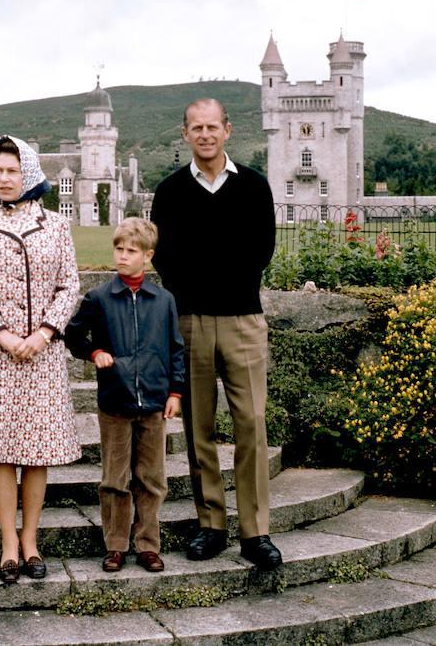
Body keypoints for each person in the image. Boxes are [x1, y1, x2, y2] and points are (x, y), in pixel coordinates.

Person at [150, 98, 282, 570]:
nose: (205, 134)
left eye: (213, 127)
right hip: (190, 322)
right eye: (196, 128)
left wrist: (219, 278)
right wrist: (195, 288)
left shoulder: (254, 187)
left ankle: (255, 532)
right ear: (184, 133)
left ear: (228, 130)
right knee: (198, 428)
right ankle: (211, 525)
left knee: (250, 425)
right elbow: (164, 258)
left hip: (243, 319)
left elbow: (261, 249)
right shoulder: (169, 192)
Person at [0, 135, 81, 584]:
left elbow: (70, 285)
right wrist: (4, 334)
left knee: (38, 449)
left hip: (43, 355)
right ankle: (8, 542)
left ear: (28, 173)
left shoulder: (57, 226)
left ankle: (31, 540)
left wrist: (45, 332)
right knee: (1, 450)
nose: (3, 179)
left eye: (11, 170)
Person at [65, 218, 184, 573]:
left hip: (153, 403)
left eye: (131, 251)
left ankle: (148, 544)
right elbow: (73, 336)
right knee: (115, 479)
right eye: (119, 249)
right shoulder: (99, 298)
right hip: (115, 403)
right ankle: (115, 545)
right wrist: (94, 352)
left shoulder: (163, 301)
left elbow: (176, 349)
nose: (123, 256)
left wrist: (175, 392)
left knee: (151, 479)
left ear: (147, 257)